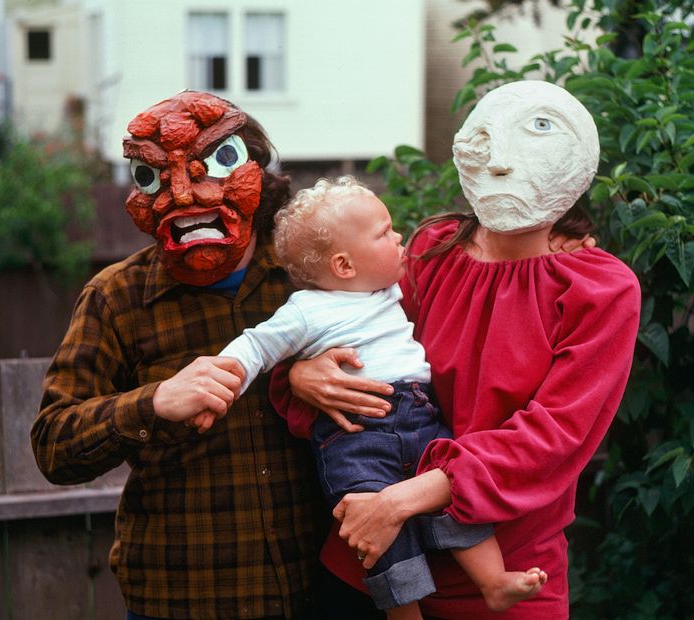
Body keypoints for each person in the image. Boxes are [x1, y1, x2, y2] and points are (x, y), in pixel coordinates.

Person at [272, 80, 642, 619]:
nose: (500, 165)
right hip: (373, 561)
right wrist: (300, 375)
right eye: (487, 142)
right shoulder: (429, 250)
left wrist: (399, 501)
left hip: (506, 573)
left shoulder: (599, 289)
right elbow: (341, 320)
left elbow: (554, 436)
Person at [190, 176, 547, 619]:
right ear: (343, 266)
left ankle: (493, 581)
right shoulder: (307, 310)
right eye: (383, 233)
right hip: (357, 439)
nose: (399, 236)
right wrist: (218, 386)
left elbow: (483, 268)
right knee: (377, 532)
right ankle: (405, 614)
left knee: (453, 496)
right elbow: (256, 346)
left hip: (419, 418)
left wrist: (559, 234)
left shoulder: (388, 289)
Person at [30, 91, 328, 619]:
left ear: (254, 168)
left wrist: (305, 373)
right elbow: (54, 445)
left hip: (323, 589)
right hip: (184, 596)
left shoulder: (315, 273)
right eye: (154, 179)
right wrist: (152, 404)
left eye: (216, 164)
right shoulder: (116, 297)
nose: (184, 196)